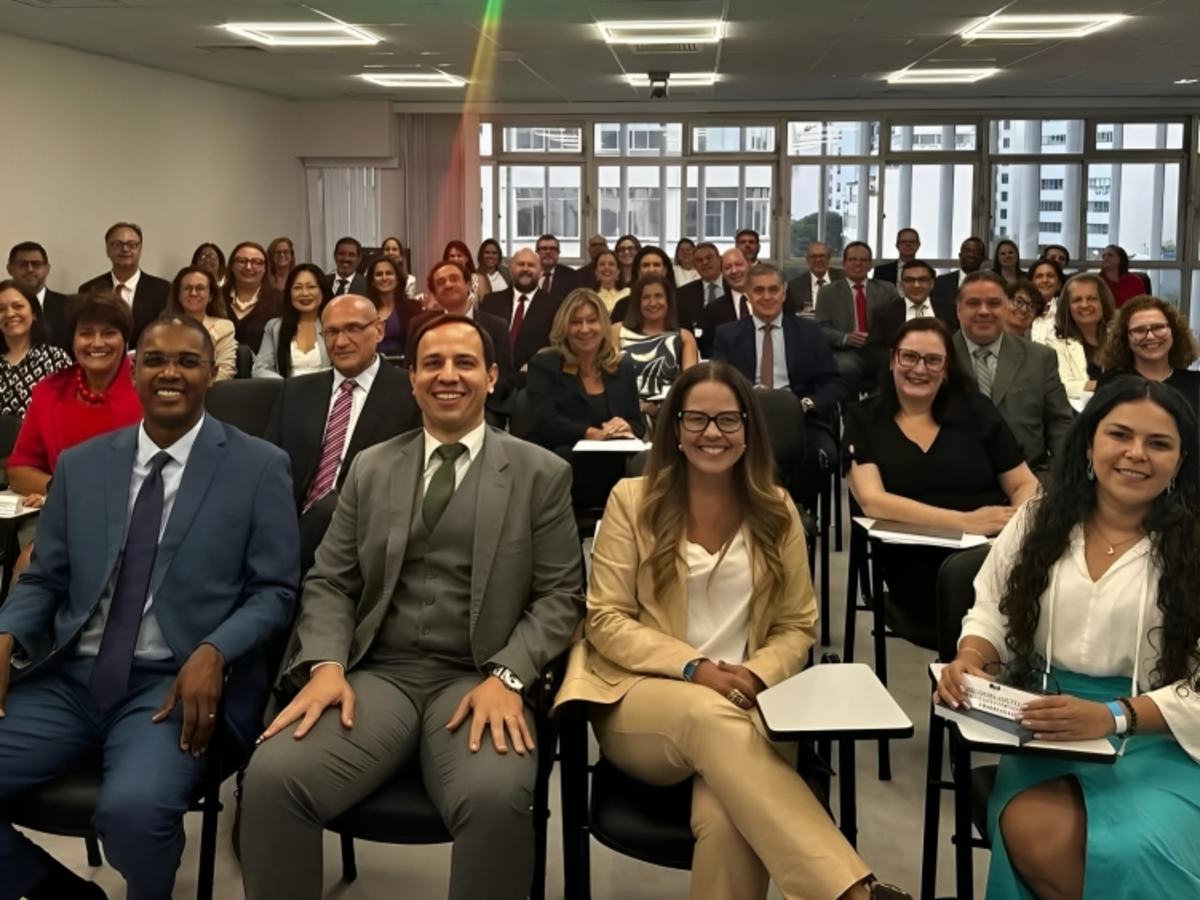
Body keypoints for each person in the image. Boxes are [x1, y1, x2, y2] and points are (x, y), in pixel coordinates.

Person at [240, 313, 584, 900]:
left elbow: (560, 597)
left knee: (496, 798)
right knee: (272, 780)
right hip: (378, 675)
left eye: (465, 363)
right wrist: (325, 665)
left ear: (492, 377)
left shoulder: (540, 474)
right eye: (432, 364)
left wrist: (509, 676)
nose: (448, 376)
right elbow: (330, 581)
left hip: (478, 678)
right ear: (413, 379)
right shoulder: (372, 467)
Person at [554, 361, 914, 900]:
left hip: (752, 700)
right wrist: (695, 669)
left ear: (749, 429)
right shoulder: (631, 500)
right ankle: (852, 894)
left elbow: (796, 624)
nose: (712, 433)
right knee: (705, 713)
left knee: (729, 822)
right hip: (642, 696)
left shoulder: (777, 510)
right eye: (696, 419)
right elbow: (606, 619)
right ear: (675, 429)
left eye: (728, 419)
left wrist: (753, 674)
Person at [0, 314, 298, 900]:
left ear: (211, 374)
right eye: (156, 360)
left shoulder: (260, 466)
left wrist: (216, 648)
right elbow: (46, 578)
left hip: (172, 686)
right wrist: (5, 632)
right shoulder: (82, 465)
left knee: (134, 814)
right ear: (135, 372)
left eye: (188, 361)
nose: (170, 372)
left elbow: (275, 591)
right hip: (69, 677)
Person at [936, 376, 1200, 900]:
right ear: (1088, 443)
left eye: (1158, 443)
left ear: (1181, 460)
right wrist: (972, 657)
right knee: (1032, 828)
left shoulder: (1193, 542)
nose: (1136, 454)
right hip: (1046, 723)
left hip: (1163, 731)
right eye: (1119, 435)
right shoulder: (1039, 519)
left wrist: (1115, 716)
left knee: (1135, 847)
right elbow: (991, 611)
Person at [845, 318, 1038, 627]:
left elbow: (1024, 483)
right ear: (893, 360)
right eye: (909, 357)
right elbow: (873, 501)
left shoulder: (978, 410)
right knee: (984, 610)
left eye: (933, 360)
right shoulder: (863, 418)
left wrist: (1015, 525)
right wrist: (966, 523)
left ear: (946, 370)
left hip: (992, 549)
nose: (920, 369)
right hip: (914, 559)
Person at [265, 293, 421, 575]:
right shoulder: (296, 392)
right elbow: (268, 469)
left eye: (353, 329)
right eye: (332, 332)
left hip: (367, 542)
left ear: (379, 330)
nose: (340, 342)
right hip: (287, 528)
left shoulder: (411, 393)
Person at [714, 263, 844, 510]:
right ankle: (759, 511)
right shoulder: (728, 335)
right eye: (759, 290)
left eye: (773, 290)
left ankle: (796, 511)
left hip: (801, 419)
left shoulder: (810, 332)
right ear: (748, 296)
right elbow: (720, 385)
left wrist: (808, 404)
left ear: (783, 294)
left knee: (823, 456)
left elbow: (832, 383)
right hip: (745, 422)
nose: (767, 296)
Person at [8, 292, 142, 502]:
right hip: (66, 513)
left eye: (108, 333)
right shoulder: (49, 391)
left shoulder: (148, 389)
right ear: (73, 341)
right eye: (86, 333)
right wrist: (65, 492)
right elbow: (19, 469)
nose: (97, 343)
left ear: (125, 340)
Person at [527, 289, 645, 510]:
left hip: (614, 464)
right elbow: (543, 420)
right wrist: (591, 433)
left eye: (592, 321)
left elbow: (637, 423)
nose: (584, 329)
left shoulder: (622, 367)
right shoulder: (545, 364)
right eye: (575, 322)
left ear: (603, 325)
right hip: (565, 461)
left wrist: (624, 426)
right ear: (564, 327)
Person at [952, 271, 1075, 479]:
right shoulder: (938, 356)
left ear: (1006, 307)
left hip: (1033, 476)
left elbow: (1060, 423)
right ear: (958, 309)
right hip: (957, 481)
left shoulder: (1040, 358)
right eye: (973, 303)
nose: (984, 311)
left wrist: (1059, 477)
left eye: (994, 303)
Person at [411, 260, 517, 421]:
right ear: (435, 294)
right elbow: (412, 372)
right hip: (430, 408)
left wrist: (473, 400)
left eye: (454, 279)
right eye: (440, 282)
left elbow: (506, 378)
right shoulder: (419, 325)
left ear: (468, 285)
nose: (448, 285)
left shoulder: (496, 326)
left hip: (485, 409)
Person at [815, 241, 899, 398]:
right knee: (847, 368)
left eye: (863, 260)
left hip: (879, 347)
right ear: (844, 264)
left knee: (892, 365)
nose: (858, 264)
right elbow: (821, 328)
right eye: (853, 259)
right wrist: (846, 338)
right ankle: (850, 410)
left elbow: (897, 322)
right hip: (845, 350)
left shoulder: (888, 289)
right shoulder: (827, 292)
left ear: (870, 265)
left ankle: (882, 408)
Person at [1096, 294, 1200, 414]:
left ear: (1174, 332)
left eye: (1158, 327)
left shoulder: (1195, 383)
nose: (1150, 336)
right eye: (1139, 330)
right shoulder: (1111, 384)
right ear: (1125, 338)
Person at [615, 274, 698, 417]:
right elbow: (609, 378)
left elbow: (691, 387)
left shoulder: (684, 337)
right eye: (646, 297)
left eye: (658, 296)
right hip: (624, 414)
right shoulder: (617, 331)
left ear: (668, 300)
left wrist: (656, 410)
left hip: (668, 415)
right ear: (637, 302)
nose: (652, 303)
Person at [78, 222, 170, 347]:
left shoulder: (163, 289)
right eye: (117, 244)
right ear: (107, 250)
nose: (125, 249)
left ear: (140, 250)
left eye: (132, 244)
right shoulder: (89, 289)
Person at [864, 260, 956, 383]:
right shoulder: (884, 312)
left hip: (942, 377)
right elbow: (873, 349)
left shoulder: (950, 310)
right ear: (901, 284)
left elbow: (956, 345)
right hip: (898, 377)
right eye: (909, 280)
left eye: (922, 280)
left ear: (932, 283)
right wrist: (897, 364)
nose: (916, 285)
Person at [481, 247, 562, 375]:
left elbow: (558, 348)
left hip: (535, 378)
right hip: (494, 377)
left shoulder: (556, 306)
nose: (525, 269)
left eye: (531, 265)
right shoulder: (490, 302)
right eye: (520, 264)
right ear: (511, 269)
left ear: (541, 271)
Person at [0, 281, 73, 418]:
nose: (9, 314)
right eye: (1, 309)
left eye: (18, 306)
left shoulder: (56, 358)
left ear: (34, 313)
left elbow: (70, 410)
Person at [1041, 272, 1116, 398]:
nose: (1084, 305)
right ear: (1067, 306)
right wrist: (1102, 386)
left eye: (1092, 298)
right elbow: (1060, 385)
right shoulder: (1054, 343)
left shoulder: (1121, 337)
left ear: (1103, 302)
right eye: (1077, 300)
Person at [253, 264, 333, 378]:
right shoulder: (275, 327)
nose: (304, 293)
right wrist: (285, 385)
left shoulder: (335, 326)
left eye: (311, 287)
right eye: (297, 288)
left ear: (322, 290)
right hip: (285, 387)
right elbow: (260, 369)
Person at [166, 267, 237, 381]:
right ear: (178, 295)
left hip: (211, 389)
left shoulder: (224, 328)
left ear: (210, 296)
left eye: (200, 288)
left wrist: (193, 384)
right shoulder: (164, 328)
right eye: (187, 288)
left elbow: (225, 371)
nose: (193, 293)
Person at [7, 242, 69, 348]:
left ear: (47, 269)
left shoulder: (68, 306)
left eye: (36, 264)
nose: (30, 269)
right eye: (22, 265)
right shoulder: (2, 307)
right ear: (10, 269)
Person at [224, 241, 282, 354]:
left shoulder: (279, 300)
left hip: (262, 364)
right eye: (242, 261)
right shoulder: (215, 297)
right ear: (231, 265)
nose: (248, 267)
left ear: (265, 268)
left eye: (257, 262)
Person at [365, 255, 422, 358]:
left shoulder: (413, 307)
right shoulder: (364, 309)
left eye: (389, 273)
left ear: (397, 280)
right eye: (379, 274)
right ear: (372, 282)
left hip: (403, 363)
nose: (384, 278)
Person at [611, 246, 682, 324]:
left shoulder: (681, 303)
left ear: (665, 270)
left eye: (656, 265)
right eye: (646, 265)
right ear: (638, 271)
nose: (651, 270)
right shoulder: (623, 306)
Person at [786, 241, 845, 317]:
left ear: (829, 258)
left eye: (822, 256)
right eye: (814, 256)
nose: (818, 259)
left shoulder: (843, 279)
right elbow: (789, 316)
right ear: (807, 260)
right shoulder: (794, 286)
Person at [931, 237, 986, 305]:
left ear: (983, 258)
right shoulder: (941, 282)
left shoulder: (989, 284)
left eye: (977, 252)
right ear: (960, 255)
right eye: (968, 251)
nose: (972, 255)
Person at [1027, 258, 1065, 344]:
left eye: (1050, 276)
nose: (1045, 280)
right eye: (1039, 276)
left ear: (1059, 284)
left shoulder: (1067, 312)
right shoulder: (1022, 311)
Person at [443, 240, 492, 306]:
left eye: (459, 256)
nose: (456, 259)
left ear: (466, 258)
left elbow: (488, 307)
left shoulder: (479, 280)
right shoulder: (441, 280)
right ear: (447, 259)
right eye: (452, 256)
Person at [1099, 244, 1146, 308]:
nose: (1105, 258)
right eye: (1103, 256)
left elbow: (1143, 305)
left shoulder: (1135, 281)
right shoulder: (1097, 281)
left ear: (1121, 259)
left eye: (1110, 255)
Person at [534, 234, 578, 299]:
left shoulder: (572, 276)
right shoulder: (530, 273)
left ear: (558, 253)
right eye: (544, 249)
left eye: (552, 249)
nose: (548, 252)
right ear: (536, 253)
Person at [592, 249, 629, 313]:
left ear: (618, 271)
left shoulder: (629, 294)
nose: (606, 267)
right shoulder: (591, 297)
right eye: (602, 264)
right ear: (596, 272)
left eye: (611, 264)